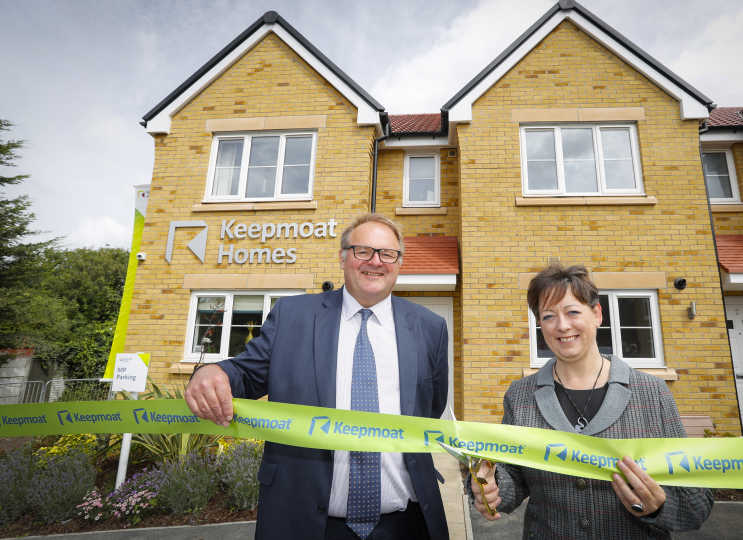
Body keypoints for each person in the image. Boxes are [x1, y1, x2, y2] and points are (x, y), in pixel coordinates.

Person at [185, 213, 450, 540]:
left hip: (406, 525)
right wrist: (213, 371)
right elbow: (245, 374)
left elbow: (430, 409)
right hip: (306, 524)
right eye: (363, 251)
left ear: (399, 262)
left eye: (387, 253)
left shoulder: (430, 327)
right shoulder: (292, 316)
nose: (376, 261)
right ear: (342, 257)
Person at [468, 264, 713, 539]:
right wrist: (492, 485)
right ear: (540, 324)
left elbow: (697, 501)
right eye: (549, 316)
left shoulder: (653, 393)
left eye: (573, 311)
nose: (562, 326)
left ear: (597, 314)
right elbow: (512, 477)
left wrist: (660, 506)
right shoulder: (520, 395)